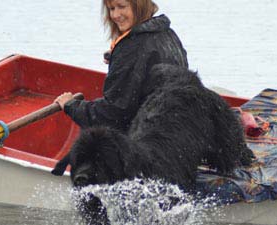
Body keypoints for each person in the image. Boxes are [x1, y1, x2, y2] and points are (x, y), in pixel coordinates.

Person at [54, 0, 188, 131]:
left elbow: (113, 115)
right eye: (111, 8)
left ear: (139, 5)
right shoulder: (167, 34)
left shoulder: (132, 48)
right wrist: (118, 59)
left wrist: (71, 106)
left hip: (148, 141)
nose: (115, 15)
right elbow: (149, 61)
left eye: (122, 6)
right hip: (176, 128)